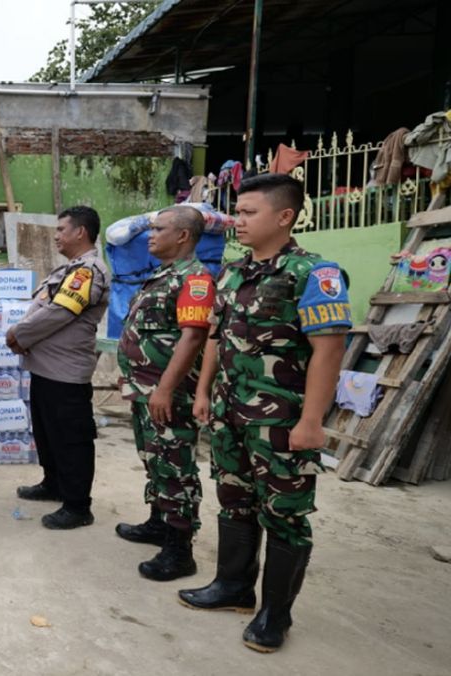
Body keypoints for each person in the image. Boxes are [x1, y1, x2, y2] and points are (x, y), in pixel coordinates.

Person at [180, 173, 350, 653]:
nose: (238, 220)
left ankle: (275, 614)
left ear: (284, 216)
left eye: (249, 212)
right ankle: (232, 587)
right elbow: (216, 335)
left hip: (282, 421)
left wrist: (312, 421)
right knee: (234, 499)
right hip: (231, 415)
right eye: (237, 210)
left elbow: (329, 350)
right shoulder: (233, 272)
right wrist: (204, 391)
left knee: (285, 515)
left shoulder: (314, 274)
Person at [114, 206, 214, 581]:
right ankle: (159, 521)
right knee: (154, 460)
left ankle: (179, 550)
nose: (150, 235)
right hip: (147, 391)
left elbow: (193, 338)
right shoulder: (163, 276)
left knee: (175, 467)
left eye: (158, 229)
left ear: (183, 236)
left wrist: (166, 389)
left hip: (169, 394)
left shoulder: (195, 279)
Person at [7, 206, 110, 530]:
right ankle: (53, 483)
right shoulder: (69, 269)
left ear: (80, 232)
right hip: (46, 368)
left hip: (66, 372)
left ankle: (78, 505)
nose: (56, 236)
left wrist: (18, 334)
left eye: (61, 229)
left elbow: (57, 314)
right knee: (48, 432)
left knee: (70, 438)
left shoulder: (87, 271)